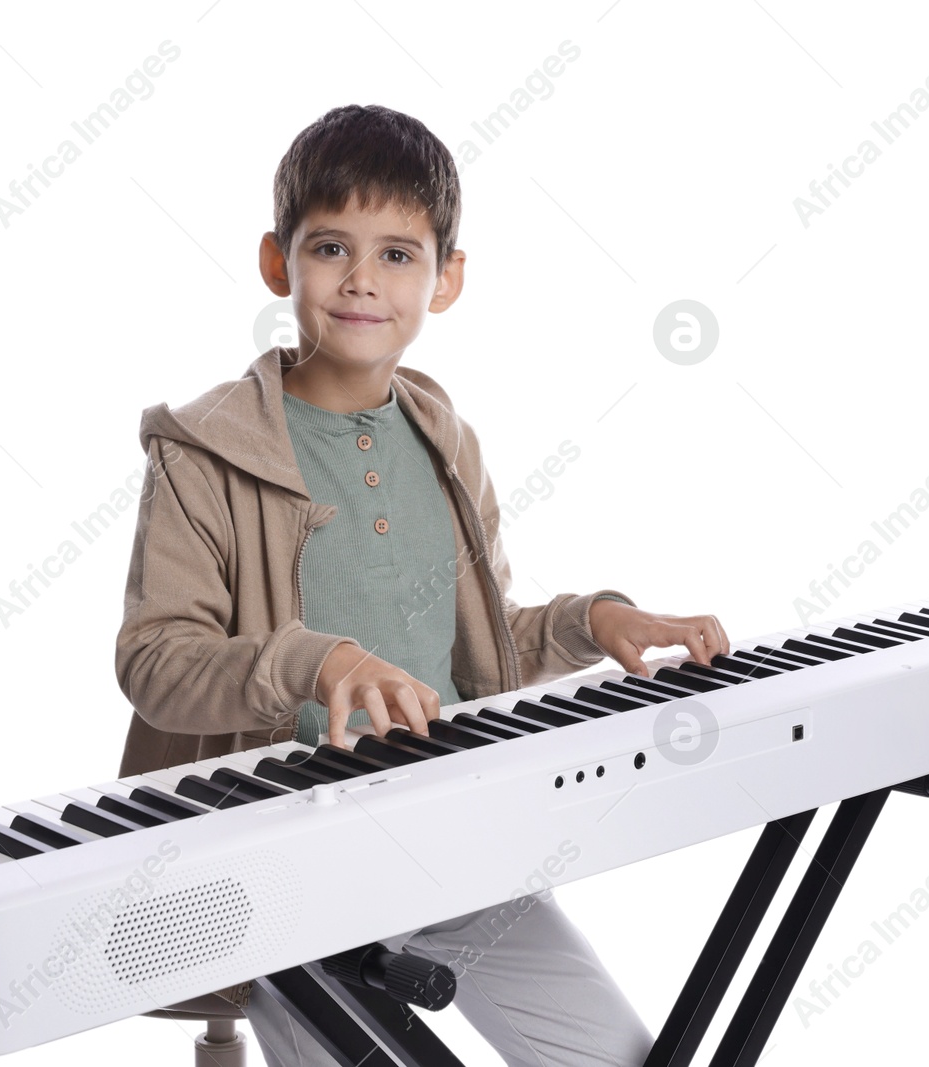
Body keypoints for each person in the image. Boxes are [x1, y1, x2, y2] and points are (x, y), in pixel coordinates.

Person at [114, 103, 729, 1067]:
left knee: (618, 1055)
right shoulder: (203, 451)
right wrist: (318, 662)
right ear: (279, 264)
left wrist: (590, 619)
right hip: (282, 866)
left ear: (447, 278)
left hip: (452, 831)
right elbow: (157, 662)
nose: (363, 280)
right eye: (331, 248)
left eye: (398, 254)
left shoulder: (445, 440)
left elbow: (473, 647)